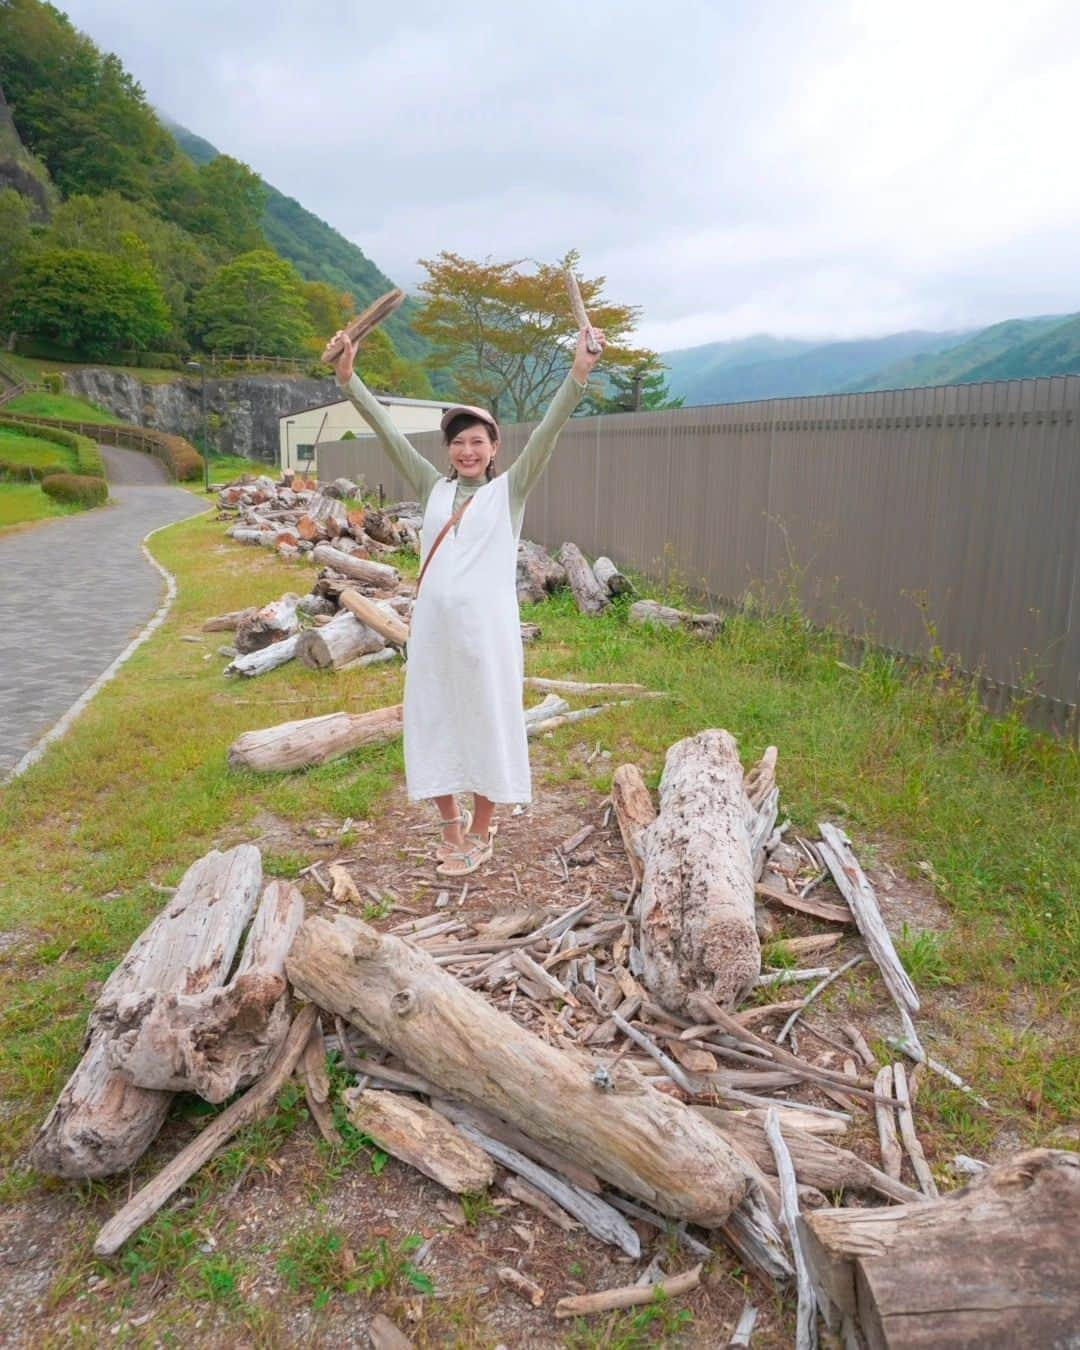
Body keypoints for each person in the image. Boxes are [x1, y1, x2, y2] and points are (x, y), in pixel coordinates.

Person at [330, 326, 606, 876]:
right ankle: (449, 825)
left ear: (495, 447)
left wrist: (579, 373)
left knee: (487, 719)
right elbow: (387, 433)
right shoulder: (431, 485)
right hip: (433, 630)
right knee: (433, 718)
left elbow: (549, 432)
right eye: (457, 441)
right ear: (448, 451)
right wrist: (348, 380)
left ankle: (481, 828)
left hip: (489, 633)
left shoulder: (512, 489)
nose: (467, 450)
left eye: (477, 440)